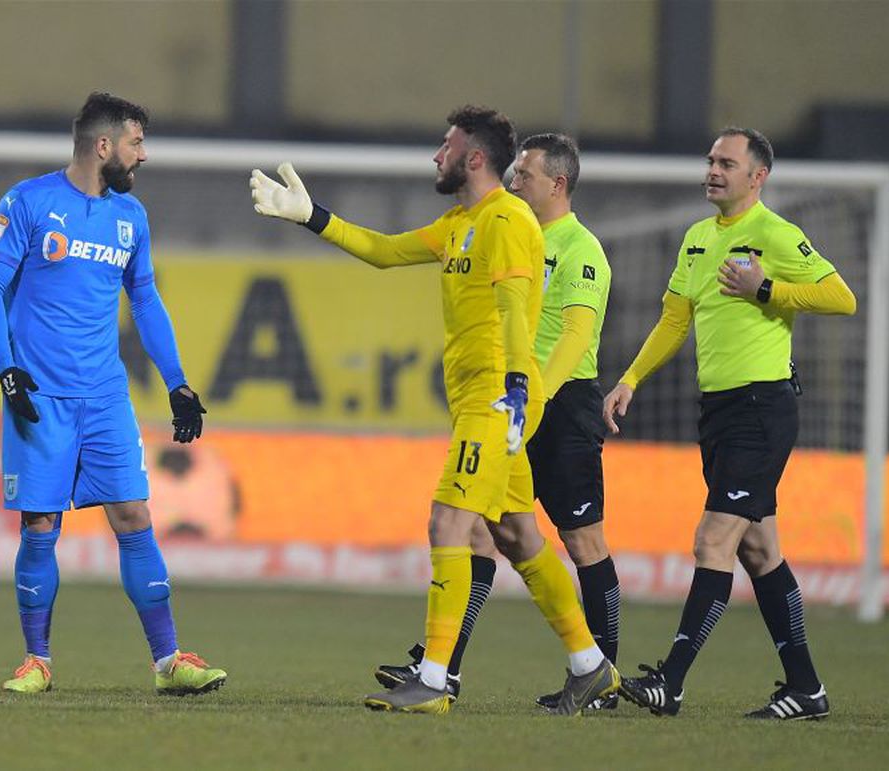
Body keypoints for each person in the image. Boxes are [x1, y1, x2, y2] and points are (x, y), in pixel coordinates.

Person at [250, 106, 619, 715]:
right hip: (483, 398)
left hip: (495, 400)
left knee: (448, 525)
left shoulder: (506, 220)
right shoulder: (461, 221)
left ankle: (434, 678)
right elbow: (384, 250)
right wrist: (310, 216)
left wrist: (519, 390)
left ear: (473, 158)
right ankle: (589, 666)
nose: (435, 156)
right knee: (518, 535)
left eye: (445, 146)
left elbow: (514, 309)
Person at [0, 91, 226, 696]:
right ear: (104, 145)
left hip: (106, 397)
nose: (145, 155)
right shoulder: (28, 202)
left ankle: (169, 664)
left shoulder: (130, 218)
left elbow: (145, 300)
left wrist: (178, 383)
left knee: (135, 515)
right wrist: (7, 370)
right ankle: (37, 661)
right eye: (137, 142)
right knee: (40, 526)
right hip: (41, 395)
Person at [604, 127, 856, 719]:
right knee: (760, 550)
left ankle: (672, 680)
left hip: (762, 407)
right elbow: (673, 321)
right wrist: (630, 380)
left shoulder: (774, 233)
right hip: (718, 411)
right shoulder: (696, 239)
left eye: (727, 162)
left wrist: (766, 288)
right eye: (711, 159)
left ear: (756, 177)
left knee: (713, 539)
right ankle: (806, 688)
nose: (713, 169)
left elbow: (841, 296)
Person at [373, 133, 622, 713]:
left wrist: (533, 396)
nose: (514, 181)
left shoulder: (579, 247)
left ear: (557, 185)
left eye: (526, 174)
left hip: (552, 403)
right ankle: (455, 667)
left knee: (578, 539)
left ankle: (593, 670)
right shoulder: (505, 225)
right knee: (502, 532)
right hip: (511, 396)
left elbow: (576, 334)